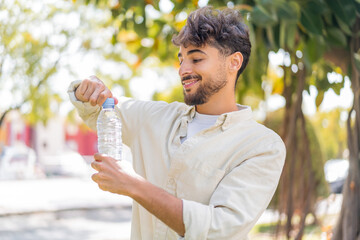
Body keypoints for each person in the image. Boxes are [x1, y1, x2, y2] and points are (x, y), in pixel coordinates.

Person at [68, 6, 285, 240]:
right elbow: (100, 110)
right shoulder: (157, 118)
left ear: (234, 62)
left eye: (196, 58)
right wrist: (87, 89)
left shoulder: (261, 146)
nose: (183, 70)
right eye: (181, 59)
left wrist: (134, 185)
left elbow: (218, 227)